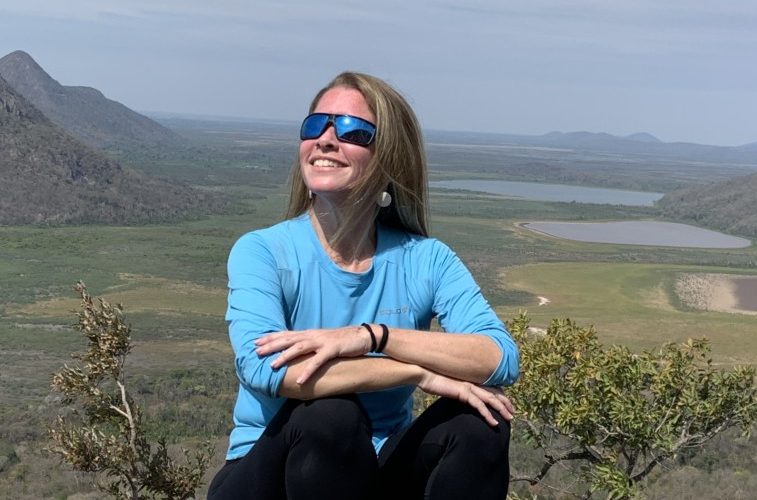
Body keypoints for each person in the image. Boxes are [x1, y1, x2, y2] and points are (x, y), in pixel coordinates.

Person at [206, 72, 521, 500]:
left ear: (389, 158)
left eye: (353, 131)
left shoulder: (425, 259)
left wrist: (372, 337)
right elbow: (268, 370)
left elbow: (499, 358)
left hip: (372, 473)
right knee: (329, 414)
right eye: (315, 125)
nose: (326, 139)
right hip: (265, 476)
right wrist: (418, 371)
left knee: (478, 421)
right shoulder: (263, 251)